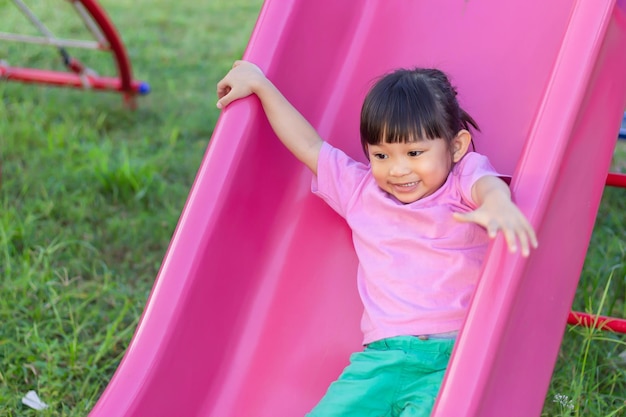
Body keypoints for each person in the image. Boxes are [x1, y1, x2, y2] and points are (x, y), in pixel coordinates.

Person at [216, 60, 538, 417]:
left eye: (414, 153)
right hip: (379, 360)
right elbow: (308, 145)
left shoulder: (461, 180)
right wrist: (260, 85)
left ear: (457, 146)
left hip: (453, 358)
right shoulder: (359, 189)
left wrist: (497, 204)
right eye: (381, 155)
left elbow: (487, 184)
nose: (397, 169)